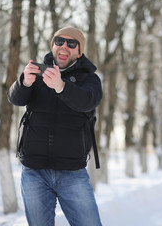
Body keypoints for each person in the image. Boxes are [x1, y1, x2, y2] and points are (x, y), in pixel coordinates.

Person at [7, 26, 102, 226]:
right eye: (59, 41)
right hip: (34, 172)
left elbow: (87, 101)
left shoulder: (89, 78)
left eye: (71, 43)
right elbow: (15, 99)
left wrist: (61, 86)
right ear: (53, 46)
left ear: (79, 51)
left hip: (72, 173)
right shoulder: (39, 74)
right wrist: (23, 82)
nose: (64, 46)